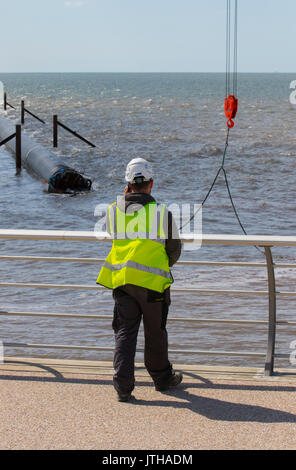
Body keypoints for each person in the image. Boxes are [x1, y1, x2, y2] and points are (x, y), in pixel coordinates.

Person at [97, 158, 182, 402]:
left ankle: (123, 387)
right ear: (151, 183)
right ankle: (162, 379)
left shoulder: (113, 211)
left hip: (123, 281)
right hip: (153, 285)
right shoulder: (161, 213)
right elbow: (174, 249)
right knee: (155, 332)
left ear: (127, 184)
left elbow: (114, 234)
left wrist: (124, 200)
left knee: (124, 332)